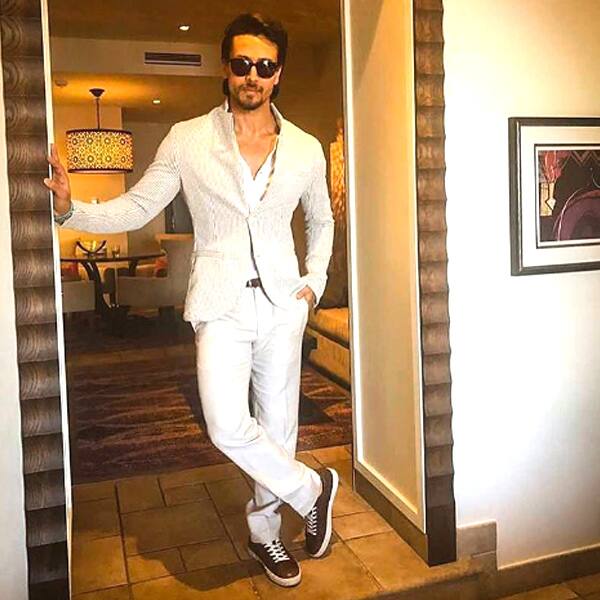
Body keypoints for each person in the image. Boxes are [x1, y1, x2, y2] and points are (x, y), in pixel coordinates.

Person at [46, 13, 337, 589]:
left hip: (283, 303)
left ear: (278, 74)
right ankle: (312, 489)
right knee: (226, 425)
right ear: (226, 68)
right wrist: (70, 210)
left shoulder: (305, 148)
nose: (252, 75)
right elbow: (139, 205)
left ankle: (265, 534)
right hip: (219, 307)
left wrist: (315, 281)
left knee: (278, 428)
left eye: (265, 66)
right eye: (242, 63)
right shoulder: (187, 138)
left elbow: (322, 220)